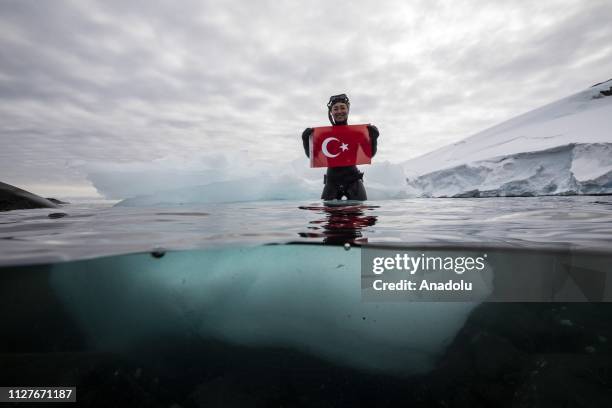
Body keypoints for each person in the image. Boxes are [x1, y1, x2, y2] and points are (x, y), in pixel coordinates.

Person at [301, 94, 379, 200]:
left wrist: (374, 139)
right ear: (331, 112)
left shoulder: (357, 133)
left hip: (353, 180)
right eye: (335, 109)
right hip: (332, 182)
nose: (339, 111)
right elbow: (312, 157)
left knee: (358, 215)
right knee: (330, 216)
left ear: (348, 110)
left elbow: (369, 154)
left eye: (342, 107)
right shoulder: (324, 135)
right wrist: (306, 141)